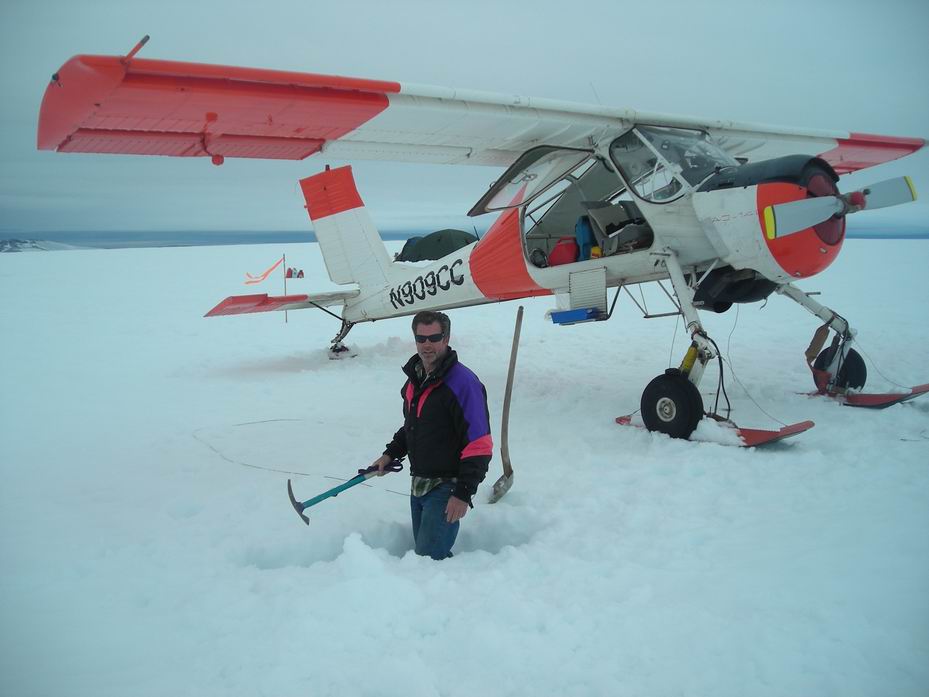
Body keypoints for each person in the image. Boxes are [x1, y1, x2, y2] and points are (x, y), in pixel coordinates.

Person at [371, 310, 492, 560]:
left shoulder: (463, 383)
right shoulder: (415, 380)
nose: (427, 344)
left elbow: (479, 445)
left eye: (434, 337)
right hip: (419, 484)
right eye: (421, 338)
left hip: (447, 488)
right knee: (424, 559)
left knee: (429, 561)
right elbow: (413, 426)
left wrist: (462, 493)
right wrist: (389, 454)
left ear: (446, 338)